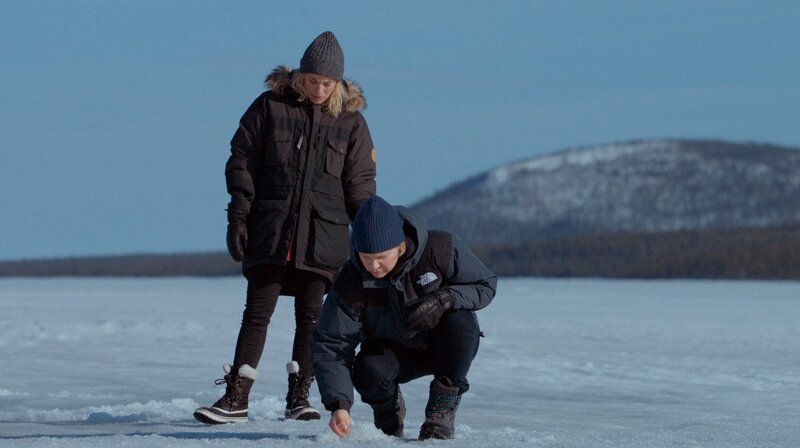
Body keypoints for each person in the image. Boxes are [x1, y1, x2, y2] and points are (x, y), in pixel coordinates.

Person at [193, 31, 376, 424]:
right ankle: (236, 398)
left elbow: (360, 184)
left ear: (338, 83)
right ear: (300, 75)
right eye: (312, 81)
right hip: (272, 229)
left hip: (324, 235)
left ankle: (299, 398)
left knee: (311, 317)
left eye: (327, 83)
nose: (319, 90)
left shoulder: (352, 122)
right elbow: (241, 160)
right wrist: (239, 215)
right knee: (256, 313)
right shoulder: (271, 106)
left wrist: (370, 237)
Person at [311, 196, 497, 440]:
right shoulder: (352, 280)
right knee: (367, 370)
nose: (374, 266)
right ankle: (389, 412)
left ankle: (440, 413)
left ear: (399, 245)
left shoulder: (439, 249)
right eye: (367, 257)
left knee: (461, 322)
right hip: (392, 356)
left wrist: (445, 299)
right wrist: (339, 405)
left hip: (445, 347)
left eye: (381, 257)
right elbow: (332, 343)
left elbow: (485, 284)